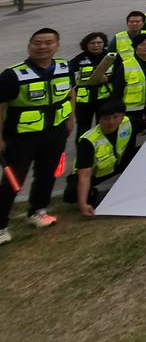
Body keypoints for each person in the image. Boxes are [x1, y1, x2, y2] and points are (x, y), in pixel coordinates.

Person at [0, 28, 74, 242]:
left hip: (55, 133)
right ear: (29, 46)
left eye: (48, 42)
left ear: (57, 45)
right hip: (22, 137)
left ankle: (38, 211)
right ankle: (1, 225)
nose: (43, 47)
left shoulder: (63, 67)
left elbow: (71, 94)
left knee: (48, 174)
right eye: (38, 43)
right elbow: (1, 106)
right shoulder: (12, 74)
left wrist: (70, 119)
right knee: (13, 182)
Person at [63, 100, 136, 218]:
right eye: (106, 118)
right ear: (99, 119)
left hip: (120, 163)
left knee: (144, 151)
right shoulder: (88, 141)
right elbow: (85, 175)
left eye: (115, 117)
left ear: (123, 116)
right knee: (71, 194)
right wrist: (83, 204)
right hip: (95, 174)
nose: (111, 122)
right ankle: (90, 194)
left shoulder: (129, 122)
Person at [111, 33, 146, 135]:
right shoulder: (126, 65)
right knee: (128, 136)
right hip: (132, 109)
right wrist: (118, 111)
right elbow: (117, 90)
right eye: (142, 45)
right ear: (135, 47)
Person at [71, 32, 115, 138]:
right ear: (86, 45)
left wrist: (108, 79)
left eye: (99, 42)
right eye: (92, 43)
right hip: (84, 102)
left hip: (105, 100)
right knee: (83, 128)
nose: (96, 45)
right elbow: (66, 74)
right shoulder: (80, 59)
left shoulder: (111, 57)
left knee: (104, 127)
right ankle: (83, 151)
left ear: (104, 43)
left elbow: (121, 76)